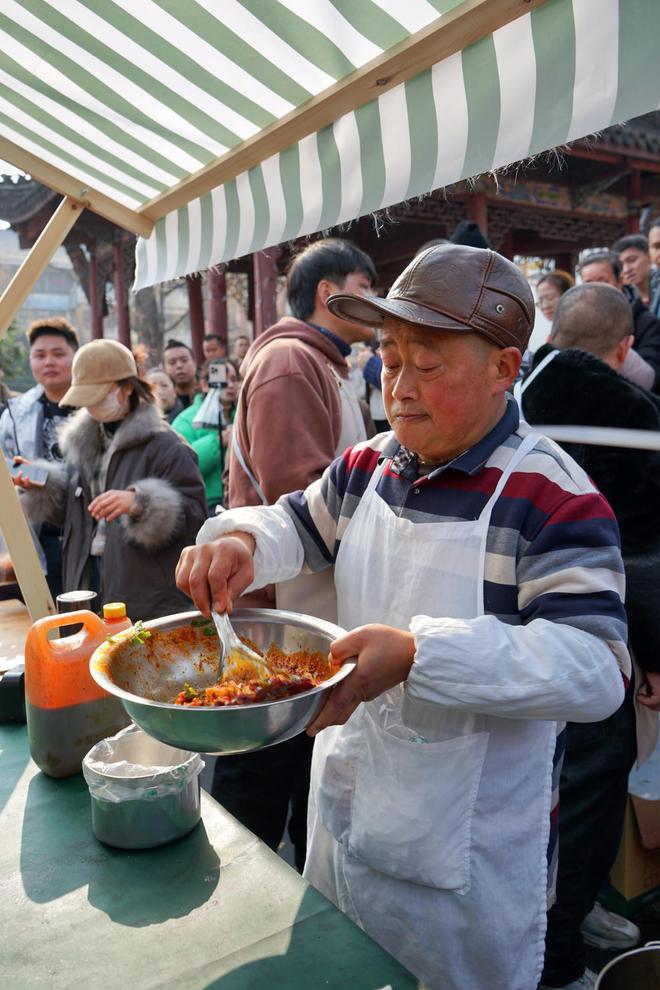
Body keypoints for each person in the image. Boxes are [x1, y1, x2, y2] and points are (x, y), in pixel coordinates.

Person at [176, 244, 629, 990]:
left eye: (429, 362)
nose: (400, 385)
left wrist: (422, 655)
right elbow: (298, 523)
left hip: (463, 871)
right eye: (389, 356)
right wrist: (241, 540)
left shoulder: (554, 496)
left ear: (503, 369)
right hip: (342, 820)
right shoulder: (369, 465)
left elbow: (595, 669)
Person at [213, 238, 377, 873]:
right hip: (280, 616)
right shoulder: (289, 360)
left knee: (296, 775)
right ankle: (242, 906)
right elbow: (300, 492)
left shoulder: (322, 363)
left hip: (304, 610)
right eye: (366, 286)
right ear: (327, 293)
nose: (376, 302)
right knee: (263, 778)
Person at [518, 283, 660, 990]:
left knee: (534, 793)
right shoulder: (632, 413)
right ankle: (559, 952)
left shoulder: (513, 396)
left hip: (513, 634)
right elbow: (647, 548)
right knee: (587, 796)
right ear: (625, 348)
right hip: (604, 643)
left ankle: (559, 925)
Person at [14, 339, 207, 621]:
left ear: (127, 389)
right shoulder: (85, 444)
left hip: (146, 597)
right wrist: (45, 486)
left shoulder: (168, 447)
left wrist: (141, 503)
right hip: (88, 584)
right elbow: (74, 514)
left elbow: (195, 519)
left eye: (97, 396)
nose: (90, 407)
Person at [0, 317, 79, 599]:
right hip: (39, 532)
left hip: (86, 527)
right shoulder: (14, 413)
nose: (49, 362)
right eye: (40, 355)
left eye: (58, 354)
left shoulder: (93, 407)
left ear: (75, 356)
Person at [578, 249, 660, 392]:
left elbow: (652, 379)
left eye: (603, 281)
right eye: (589, 284)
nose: (597, 289)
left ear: (620, 281)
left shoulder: (646, 322)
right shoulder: (577, 323)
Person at [172, 359, 239, 514]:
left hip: (240, 501)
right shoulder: (185, 421)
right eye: (223, 379)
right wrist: (218, 441)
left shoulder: (243, 416)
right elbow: (183, 466)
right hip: (204, 504)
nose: (229, 385)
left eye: (234, 379)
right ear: (204, 385)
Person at [612, 233, 660, 317]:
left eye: (632, 260)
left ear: (649, 256)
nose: (626, 269)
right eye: (621, 265)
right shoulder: (623, 300)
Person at [163, 339, 198, 408]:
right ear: (164, 368)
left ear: (194, 363)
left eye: (184, 360)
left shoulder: (208, 393)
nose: (179, 365)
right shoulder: (162, 403)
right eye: (172, 362)